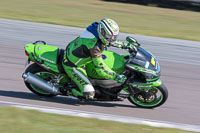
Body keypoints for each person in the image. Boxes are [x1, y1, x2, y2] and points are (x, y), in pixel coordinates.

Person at [62, 18, 134, 100]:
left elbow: (110, 41)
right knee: (89, 93)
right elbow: (101, 69)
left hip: (80, 54)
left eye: (114, 37)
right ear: (102, 32)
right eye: (109, 36)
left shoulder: (96, 29)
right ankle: (67, 90)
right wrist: (116, 76)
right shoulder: (94, 47)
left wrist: (125, 45)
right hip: (73, 65)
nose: (111, 39)